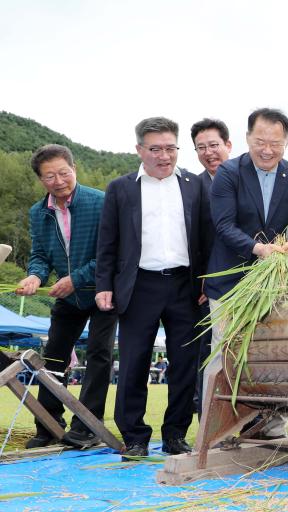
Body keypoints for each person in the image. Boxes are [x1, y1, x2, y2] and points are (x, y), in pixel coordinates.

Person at [96, 117, 212, 460]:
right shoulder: (121, 188)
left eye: (171, 148)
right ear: (139, 150)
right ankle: (134, 437)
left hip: (185, 286)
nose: (164, 156)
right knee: (133, 363)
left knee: (185, 364)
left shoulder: (194, 185)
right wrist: (104, 285)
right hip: (138, 286)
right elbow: (107, 241)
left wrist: (207, 279)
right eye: (156, 149)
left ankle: (176, 435)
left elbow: (207, 237)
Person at [202, 108, 288, 438]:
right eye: (260, 141)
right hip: (231, 283)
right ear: (247, 138)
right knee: (225, 354)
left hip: (276, 285)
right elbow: (223, 225)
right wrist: (258, 248)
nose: (267, 150)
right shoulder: (229, 173)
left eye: (276, 143)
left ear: (287, 142)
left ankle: (273, 427)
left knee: (276, 353)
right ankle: (215, 432)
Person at [17, 144, 118, 449]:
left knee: (99, 354)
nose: (58, 181)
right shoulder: (39, 212)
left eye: (64, 173)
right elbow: (39, 254)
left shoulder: (101, 202)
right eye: (50, 176)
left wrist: (76, 278)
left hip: (102, 291)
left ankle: (87, 426)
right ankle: (49, 424)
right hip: (68, 297)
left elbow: (112, 252)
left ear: (74, 169)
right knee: (53, 358)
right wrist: (35, 275)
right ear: (40, 179)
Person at [190, 117, 232, 416]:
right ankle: (206, 413)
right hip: (208, 285)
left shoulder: (246, 177)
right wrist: (202, 277)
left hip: (250, 279)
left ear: (228, 145)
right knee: (207, 348)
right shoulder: (194, 187)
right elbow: (194, 238)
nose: (209, 152)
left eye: (214, 145)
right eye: (201, 148)